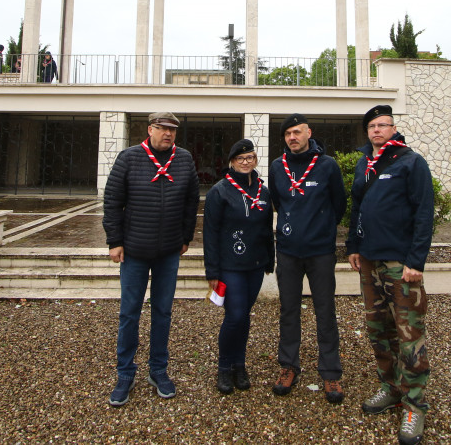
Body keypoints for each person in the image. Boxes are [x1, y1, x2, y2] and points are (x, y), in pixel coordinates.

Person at [346, 104, 435, 445]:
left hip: (400, 264)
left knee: (410, 334)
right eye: (373, 126)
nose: (378, 130)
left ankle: (415, 405)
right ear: (367, 131)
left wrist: (416, 261)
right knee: (378, 329)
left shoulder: (411, 162)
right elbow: (358, 208)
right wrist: (353, 246)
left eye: (384, 125)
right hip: (368, 262)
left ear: (393, 128)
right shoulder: (363, 164)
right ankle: (391, 387)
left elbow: (424, 212)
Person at [102, 112, 199, 407]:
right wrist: (114, 241)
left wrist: (185, 238)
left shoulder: (183, 159)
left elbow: (191, 200)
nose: (167, 134)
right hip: (134, 251)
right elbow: (112, 201)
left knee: (163, 312)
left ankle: (158, 369)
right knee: (129, 313)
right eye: (162, 128)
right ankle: (125, 373)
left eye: (172, 130)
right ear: (150, 130)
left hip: (168, 252)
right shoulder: (129, 158)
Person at [268, 113, 346, 404]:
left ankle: (330, 372)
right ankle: (289, 366)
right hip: (288, 251)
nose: (292, 137)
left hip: (320, 252)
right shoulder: (278, 167)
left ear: (308, 132)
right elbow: (278, 201)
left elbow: (339, 204)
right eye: (288, 133)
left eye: (297, 132)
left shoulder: (327, 166)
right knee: (289, 311)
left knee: (325, 312)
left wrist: (320, 227)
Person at [203, 139, 274, 395]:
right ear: (232, 162)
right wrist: (212, 270)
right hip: (230, 265)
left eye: (250, 158)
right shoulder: (219, 191)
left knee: (244, 317)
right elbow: (210, 233)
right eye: (241, 158)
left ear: (255, 160)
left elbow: (267, 229)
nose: (246, 162)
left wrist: (270, 260)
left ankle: (239, 365)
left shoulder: (263, 191)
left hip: (255, 264)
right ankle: (224, 367)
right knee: (234, 316)